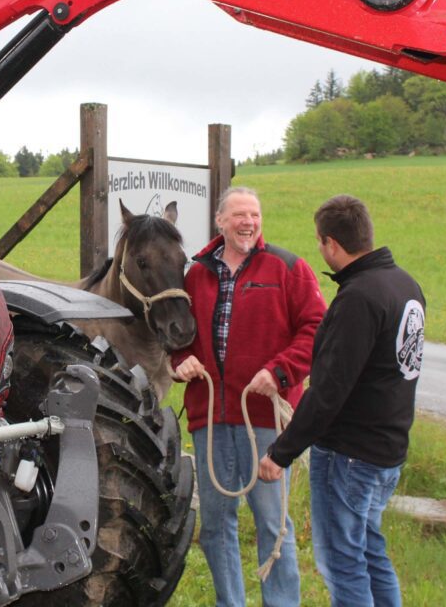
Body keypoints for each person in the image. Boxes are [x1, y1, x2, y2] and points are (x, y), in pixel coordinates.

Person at [259, 195, 425, 607]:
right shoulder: (405, 285)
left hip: (350, 456)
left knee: (342, 561)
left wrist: (281, 453)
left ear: (331, 244)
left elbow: (330, 390)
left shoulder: (359, 298)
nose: (320, 250)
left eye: (320, 243)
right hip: (386, 451)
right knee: (370, 552)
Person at [170, 186, 325, 607]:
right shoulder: (196, 274)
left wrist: (280, 372)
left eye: (254, 215)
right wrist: (180, 360)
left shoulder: (288, 268)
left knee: (272, 525)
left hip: (264, 421)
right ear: (220, 221)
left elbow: (317, 331)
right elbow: (177, 334)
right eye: (239, 215)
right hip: (211, 419)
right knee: (217, 525)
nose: (248, 223)